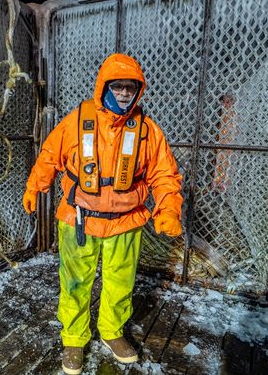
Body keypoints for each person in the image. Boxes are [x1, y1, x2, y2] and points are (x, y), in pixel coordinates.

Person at [22, 53, 183, 374]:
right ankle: (73, 338)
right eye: (118, 86)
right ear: (103, 87)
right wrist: (34, 185)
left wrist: (168, 209)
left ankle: (111, 331)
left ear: (139, 91)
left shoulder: (148, 131)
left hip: (126, 223)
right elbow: (50, 155)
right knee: (75, 283)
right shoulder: (76, 122)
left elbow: (165, 174)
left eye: (131, 88)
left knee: (120, 283)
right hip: (78, 220)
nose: (124, 93)